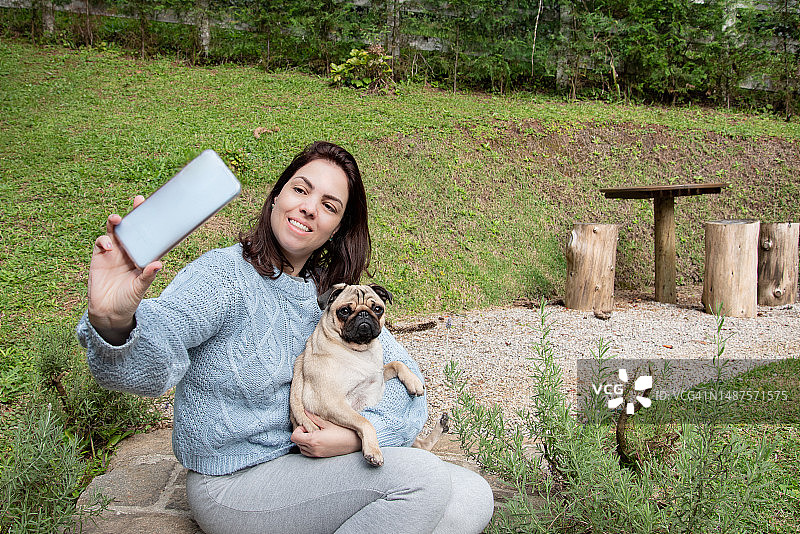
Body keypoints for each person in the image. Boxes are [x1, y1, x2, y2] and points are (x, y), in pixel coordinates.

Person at [77, 141, 494, 534]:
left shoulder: (332, 295)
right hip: (235, 481)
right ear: (277, 196)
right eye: (300, 189)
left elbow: (408, 388)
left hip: (310, 471)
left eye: (329, 206)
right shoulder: (224, 276)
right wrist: (114, 320)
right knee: (423, 481)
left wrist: (351, 437)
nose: (309, 208)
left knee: (473, 496)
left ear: (335, 229)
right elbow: (156, 353)